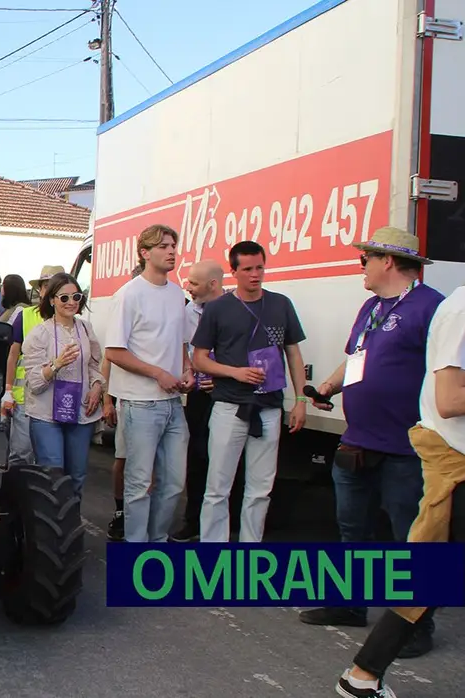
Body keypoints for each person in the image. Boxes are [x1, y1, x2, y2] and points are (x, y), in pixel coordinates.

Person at [299, 227, 445, 654]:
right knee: (352, 530)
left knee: (410, 539)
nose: (360, 266)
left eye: (365, 259)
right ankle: (349, 605)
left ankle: (415, 627)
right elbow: (357, 359)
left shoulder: (430, 307)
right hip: (358, 440)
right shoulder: (371, 307)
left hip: (406, 445)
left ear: (387, 262)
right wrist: (326, 387)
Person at [333, 283, 465, 698]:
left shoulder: (433, 304)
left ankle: (362, 675)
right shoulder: (459, 309)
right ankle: (362, 674)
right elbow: (448, 398)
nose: (363, 267)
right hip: (453, 461)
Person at [191, 240, 309, 543]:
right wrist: (234, 372)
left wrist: (300, 400)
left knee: (260, 488)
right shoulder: (218, 309)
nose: (255, 275)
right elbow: (199, 357)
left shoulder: (281, 304)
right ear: (234, 271)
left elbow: (293, 353)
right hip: (230, 406)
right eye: (247, 269)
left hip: (269, 407)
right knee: (218, 487)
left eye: (260, 267)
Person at [105, 224, 195, 543]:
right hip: (140, 403)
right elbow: (114, 351)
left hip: (172, 403)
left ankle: (156, 544)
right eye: (164, 246)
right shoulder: (129, 294)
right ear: (145, 253)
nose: (172, 251)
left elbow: (181, 343)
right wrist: (158, 373)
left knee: (173, 482)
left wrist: (186, 370)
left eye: (174, 245)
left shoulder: (176, 294)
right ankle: (136, 550)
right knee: (139, 483)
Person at [170, 259, 243, 543]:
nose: (188, 288)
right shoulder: (188, 312)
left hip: (230, 394)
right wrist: (189, 373)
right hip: (200, 396)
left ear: (214, 284)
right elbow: (185, 349)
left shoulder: (237, 309)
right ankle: (193, 521)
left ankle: (230, 521)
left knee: (229, 457)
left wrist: (222, 377)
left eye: (194, 284)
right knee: (197, 457)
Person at [21, 273, 104, 495]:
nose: (71, 302)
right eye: (64, 298)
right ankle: (50, 528)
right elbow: (35, 383)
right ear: (51, 300)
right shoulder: (39, 334)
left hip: (80, 413)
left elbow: (95, 365)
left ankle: (71, 526)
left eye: (76, 296)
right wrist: (56, 365)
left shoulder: (86, 329)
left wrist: (97, 386)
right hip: (47, 415)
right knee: (53, 477)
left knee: (77, 476)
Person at [1, 266, 62, 470]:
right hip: (25, 397)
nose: (49, 290)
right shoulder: (26, 315)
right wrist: (8, 391)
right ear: (41, 290)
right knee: (21, 453)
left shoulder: (73, 321)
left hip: (57, 398)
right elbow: (13, 354)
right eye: (46, 286)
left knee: (48, 458)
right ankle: (13, 499)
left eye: (55, 286)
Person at [100, 264, 144, 541]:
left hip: (159, 400)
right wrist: (107, 400)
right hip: (128, 399)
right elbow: (109, 358)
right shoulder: (124, 308)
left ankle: (142, 516)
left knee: (152, 467)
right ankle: (120, 512)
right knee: (124, 460)